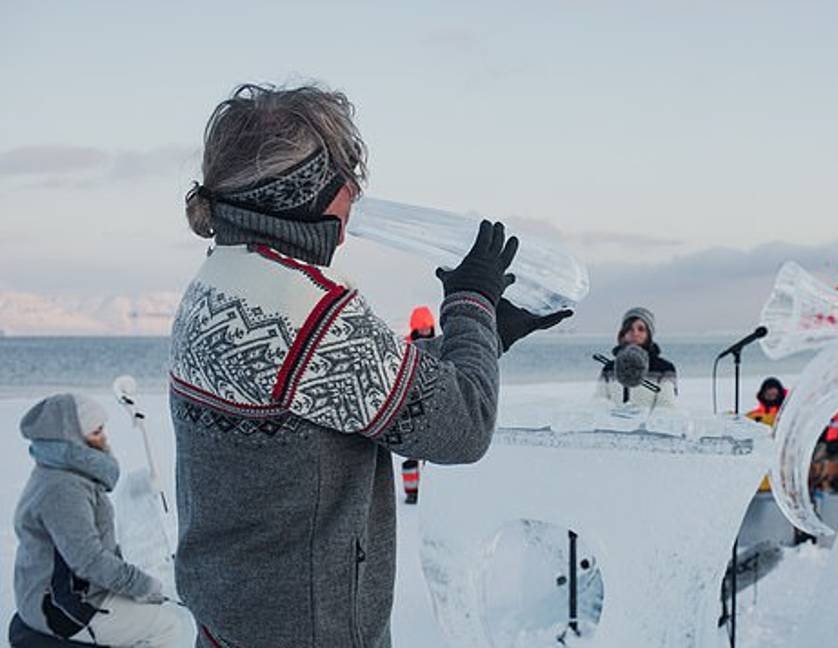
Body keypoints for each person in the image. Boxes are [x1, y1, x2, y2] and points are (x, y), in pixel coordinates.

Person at [171, 83, 571, 647]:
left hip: (234, 618)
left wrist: (489, 333)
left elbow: (348, 394)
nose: (356, 192)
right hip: (313, 631)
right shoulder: (305, 310)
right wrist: (471, 303)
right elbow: (462, 426)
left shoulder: (221, 282)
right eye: (344, 175)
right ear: (302, 193)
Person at [11, 394, 185, 647]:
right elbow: (89, 560)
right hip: (62, 606)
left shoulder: (65, 473)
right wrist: (145, 586)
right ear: (70, 437)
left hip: (67, 592)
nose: (104, 438)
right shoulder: (63, 488)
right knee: (167, 626)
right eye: (95, 431)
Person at [596, 307, 677, 408]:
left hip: (649, 423)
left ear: (649, 334)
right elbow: (599, 402)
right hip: (613, 423)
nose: (635, 333)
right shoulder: (609, 368)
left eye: (641, 329)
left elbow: (666, 405)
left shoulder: (664, 368)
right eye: (630, 329)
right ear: (623, 333)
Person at [402, 306, 436, 504]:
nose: (424, 331)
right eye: (421, 328)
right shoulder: (407, 347)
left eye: (427, 328)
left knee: (429, 454)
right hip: (411, 405)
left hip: (431, 403)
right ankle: (412, 492)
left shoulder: (437, 344)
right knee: (412, 453)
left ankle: (426, 489)